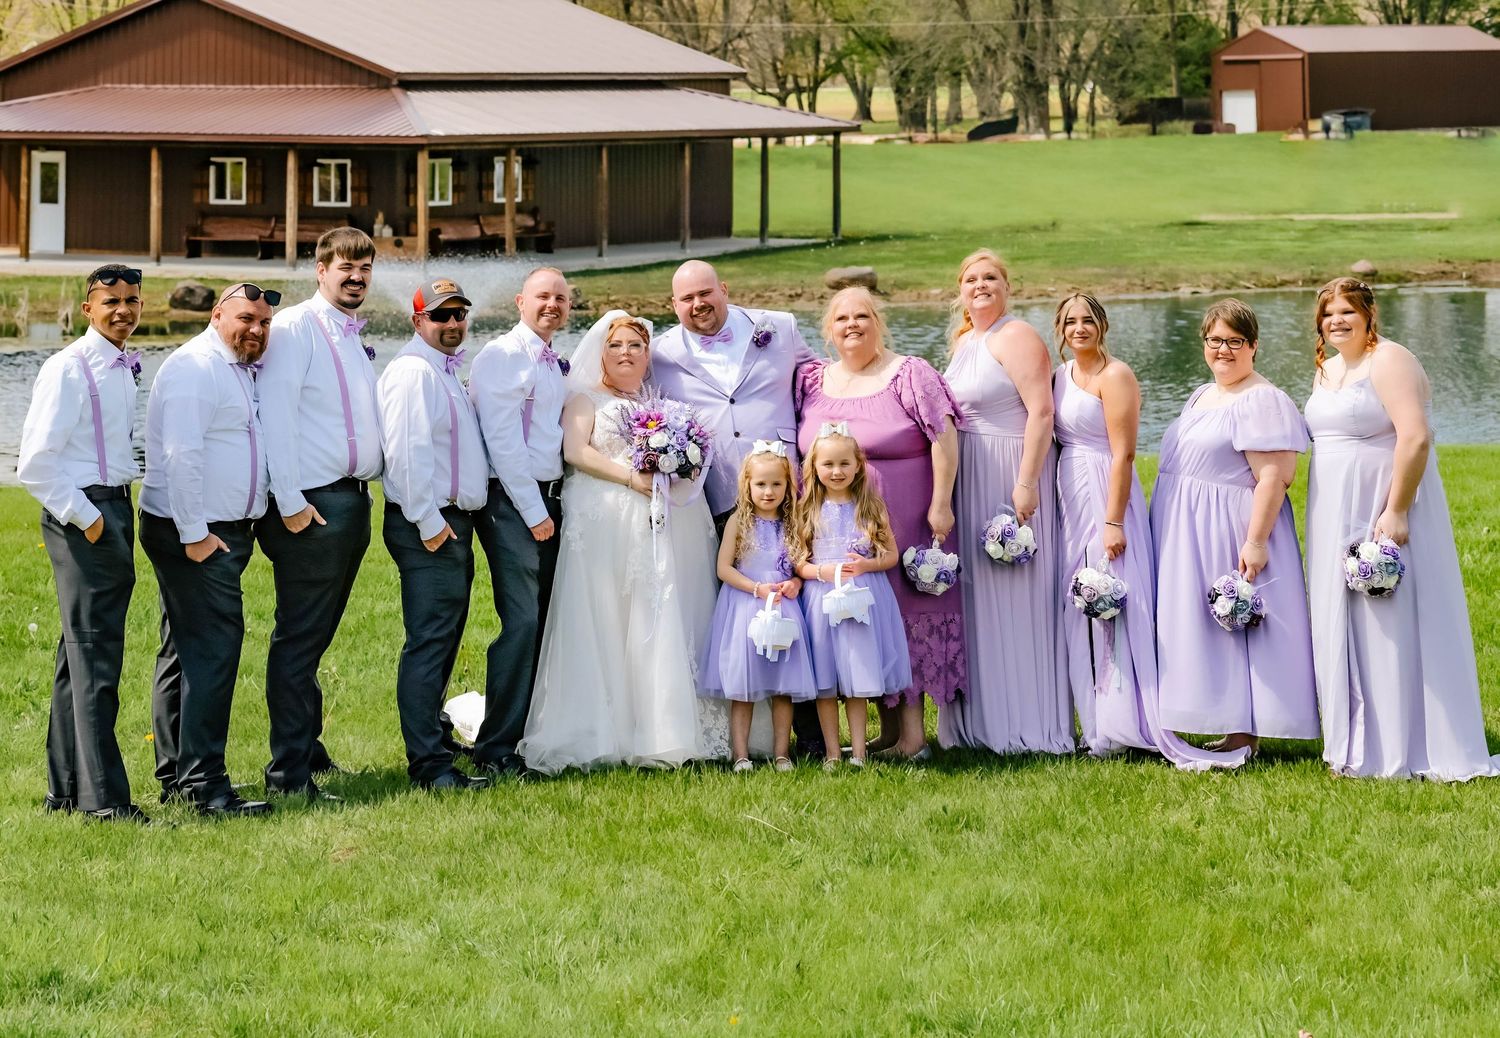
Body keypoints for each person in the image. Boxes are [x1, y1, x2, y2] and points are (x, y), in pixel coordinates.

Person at [1304, 278, 1499, 780]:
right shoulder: (1326, 368)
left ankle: (1399, 747)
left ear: (1370, 314)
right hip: (1332, 511)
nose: (1336, 321)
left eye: (1347, 311)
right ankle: (1352, 743)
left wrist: (1397, 509)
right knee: (1341, 618)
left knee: (1388, 619)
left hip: (1382, 502)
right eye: (1328, 314)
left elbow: (1414, 438)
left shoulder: (1389, 359)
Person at [517, 311, 729, 774]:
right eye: (616, 346)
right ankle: (609, 726)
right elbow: (576, 453)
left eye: (635, 345)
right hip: (607, 524)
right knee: (612, 616)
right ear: (601, 353)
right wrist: (632, 479)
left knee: (664, 613)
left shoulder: (661, 402)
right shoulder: (583, 398)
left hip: (667, 523)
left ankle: (667, 724)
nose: (626, 354)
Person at [1051, 293, 1245, 771]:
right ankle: (1096, 723)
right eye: (1071, 321)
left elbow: (1124, 454)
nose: (1080, 328)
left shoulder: (1115, 376)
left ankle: (1131, 722)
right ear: (1059, 328)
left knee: (1116, 600)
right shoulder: (1060, 377)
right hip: (1069, 493)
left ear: (1103, 325)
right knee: (1079, 605)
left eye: (1089, 320)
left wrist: (1113, 521)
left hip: (1105, 491)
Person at [650, 260, 824, 758]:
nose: (698, 304)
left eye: (706, 293)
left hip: (786, 489)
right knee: (738, 612)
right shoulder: (660, 353)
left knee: (801, 605)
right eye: (687, 299)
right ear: (674, 304)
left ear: (724, 290)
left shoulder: (779, 327)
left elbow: (817, 387)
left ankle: (811, 737)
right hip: (717, 495)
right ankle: (746, 736)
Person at [795, 286, 962, 760]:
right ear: (828, 330)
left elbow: (944, 439)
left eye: (863, 316)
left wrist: (941, 502)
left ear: (878, 322)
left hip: (904, 516)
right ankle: (886, 733)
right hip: (837, 527)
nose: (853, 324)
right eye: (842, 317)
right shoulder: (812, 380)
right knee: (864, 623)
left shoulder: (909, 373)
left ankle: (913, 738)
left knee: (905, 619)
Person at [1150, 298, 1318, 759]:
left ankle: (1247, 730)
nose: (1223, 350)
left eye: (1234, 341)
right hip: (1186, 527)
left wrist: (1255, 541)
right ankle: (1215, 716)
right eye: (1214, 340)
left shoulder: (1263, 399)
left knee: (1235, 622)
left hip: (1229, 528)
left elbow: (1274, 476)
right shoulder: (1203, 394)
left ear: (1254, 345)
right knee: (1197, 626)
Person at [140, 285, 276, 818]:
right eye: (246, 318)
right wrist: (195, 534)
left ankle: (177, 774)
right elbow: (181, 456)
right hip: (194, 532)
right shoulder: (195, 368)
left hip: (214, 529)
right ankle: (206, 787)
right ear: (217, 314)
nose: (256, 330)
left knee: (183, 650)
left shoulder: (232, 367)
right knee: (214, 651)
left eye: (264, 323)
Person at [18, 264, 147, 822]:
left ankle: (65, 792)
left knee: (78, 660)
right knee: (96, 662)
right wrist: (88, 519)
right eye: (111, 301)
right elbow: (35, 466)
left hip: (116, 506)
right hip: (85, 516)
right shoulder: (68, 368)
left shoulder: (122, 367)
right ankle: (106, 804)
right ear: (88, 307)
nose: (123, 309)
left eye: (132, 300)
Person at [256, 227, 381, 799]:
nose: (355, 277)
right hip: (314, 504)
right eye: (345, 268)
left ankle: (310, 747)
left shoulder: (352, 335)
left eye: (364, 268)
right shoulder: (294, 328)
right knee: (300, 639)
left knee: (317, 637)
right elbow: (275, 417)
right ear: (320, 269)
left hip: (350, 501)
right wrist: (292, 505)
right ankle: (289, 774)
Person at [942, 250, 1071, 756]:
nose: (981, 285)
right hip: (969, 473)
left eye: (990, 277)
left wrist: (1026, 482)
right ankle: (982, 722)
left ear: (1007, 287)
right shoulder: (965, 342)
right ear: (961, 289)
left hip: (1008, 467)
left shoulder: (1016, 336)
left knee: (1017, 598)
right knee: (977, 599)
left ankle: (1028, 722)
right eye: (971, 278)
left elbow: (1041, 411)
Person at [378, 278, 492, 791]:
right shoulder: (411, 372)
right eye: (441, 316)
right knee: (428, 643)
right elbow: (405, 455)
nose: (452, 324)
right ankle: (429, 766)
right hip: (429, 524)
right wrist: (429, 525)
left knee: (444, 640)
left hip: (448, 522)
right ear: (417, 321)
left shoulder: (442, 370)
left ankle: (438, 741)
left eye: (459, 314)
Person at [468, 267, 571, 777]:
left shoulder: (553, 360)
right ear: (519, 301)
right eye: (542, 296)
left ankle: (532, 733)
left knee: (547, 621)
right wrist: (534, 513)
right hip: (514, 505)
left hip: (552, 501)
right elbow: (502, 442)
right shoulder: (501, 357)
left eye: (560, 297)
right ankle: (496, 749)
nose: (552, 304)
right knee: (523, 622)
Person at [793, 424, 912, 768]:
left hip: (862, 597)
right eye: (828, 464)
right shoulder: (807, 509)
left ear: (859, 464)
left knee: (858, 678)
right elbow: (799, 562)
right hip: (821, 599)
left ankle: (858, 752)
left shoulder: (870, 506)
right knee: (826, 679)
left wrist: (867, 566)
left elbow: (891, 555)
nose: (836, 471)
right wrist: (820, 572)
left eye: (844, 463)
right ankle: (833, 752)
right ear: (814, 467)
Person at [699, 444, 819, 772]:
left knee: (782, 686)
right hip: (744, 606)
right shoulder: (740, 521)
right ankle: (740, 755)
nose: (769, 492)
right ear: (747, 486)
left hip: (782, 607)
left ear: (788, 486)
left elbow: (799, 566)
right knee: (744, 688)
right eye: (761, 484)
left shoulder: (791, 522)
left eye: (776, 484)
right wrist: (755, 588)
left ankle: (782, 753)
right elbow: (724, 568)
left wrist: (795, 583)